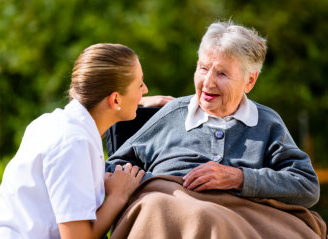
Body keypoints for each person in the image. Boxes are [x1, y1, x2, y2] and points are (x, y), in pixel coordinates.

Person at [106, 21, 325, 238]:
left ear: (250, 80)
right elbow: (112, 170)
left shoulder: (267, 123)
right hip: (170, 213)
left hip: (240, 221)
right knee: (157, 205)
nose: (208, 83)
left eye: (222, 74)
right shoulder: (173, 114)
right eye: (203, 68)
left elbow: (306, 186)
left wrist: (239, 178)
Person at [0, 43, 173, 238]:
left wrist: (137, 102)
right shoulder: (73, 144)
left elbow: (101, 113)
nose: (146, 90)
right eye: (140, 85)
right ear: (115, 100)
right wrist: (118, 195)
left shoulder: (51, 122)